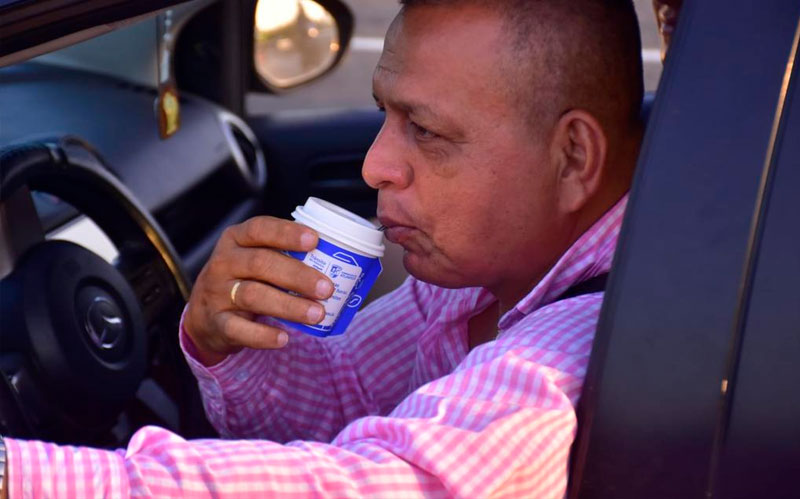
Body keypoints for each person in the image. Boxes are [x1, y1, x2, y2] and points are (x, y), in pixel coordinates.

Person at [1, 0, 651, 496]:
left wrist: (19, 473)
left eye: (425, 130)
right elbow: (345, 395)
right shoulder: (476, 280)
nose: (375, 166)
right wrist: (229, 345)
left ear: (574, 157)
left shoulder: (583, 343)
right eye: (386, 115)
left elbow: (366, 485)